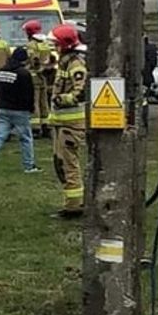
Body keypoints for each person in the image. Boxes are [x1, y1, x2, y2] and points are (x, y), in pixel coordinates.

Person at [0, 47, 40, 174]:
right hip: (20, 111)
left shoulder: (1, 71)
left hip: (3, 109)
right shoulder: (24, 74)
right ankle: (29, 166)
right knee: (26, 138)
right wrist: (30, 108)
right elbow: (28, 93)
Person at [48, 23, 87, 218]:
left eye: (55, 43)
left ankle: (74, 206)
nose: (53, 47)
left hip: (72, 124)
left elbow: (81, 93)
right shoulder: (64, 62)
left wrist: (61, 99)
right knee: (60, 163)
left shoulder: (75, 64)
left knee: (69, 165)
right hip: (61, 123)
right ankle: (71, 202)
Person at [22, 20, 52, 137]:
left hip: (33, 76)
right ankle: (46, 126)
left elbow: (33, 59)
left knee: (34, 102)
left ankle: (35, 128)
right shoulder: (45, 43)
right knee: (44, 102)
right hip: (43, 76)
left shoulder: (31, 45)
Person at [141, 35, 158, 136]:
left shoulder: (139, 47)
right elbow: (153, 63)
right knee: (143, 102)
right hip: (146, 78)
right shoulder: (151, 48)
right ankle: (143, 125)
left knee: (141, 102)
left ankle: (142, 125)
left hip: (143, 78)